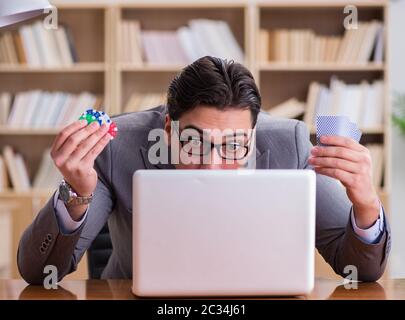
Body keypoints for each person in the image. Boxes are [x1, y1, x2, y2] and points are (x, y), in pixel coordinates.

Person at [17, 56, 390, 284]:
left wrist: (366, 204)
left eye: (233, 146)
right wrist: (76, 193)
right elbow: (39, 273)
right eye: (193, 142)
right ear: (168, 129)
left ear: (253, 134)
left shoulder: (287, 144)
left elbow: (358, 270)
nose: (212, 163)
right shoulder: (119, 146)